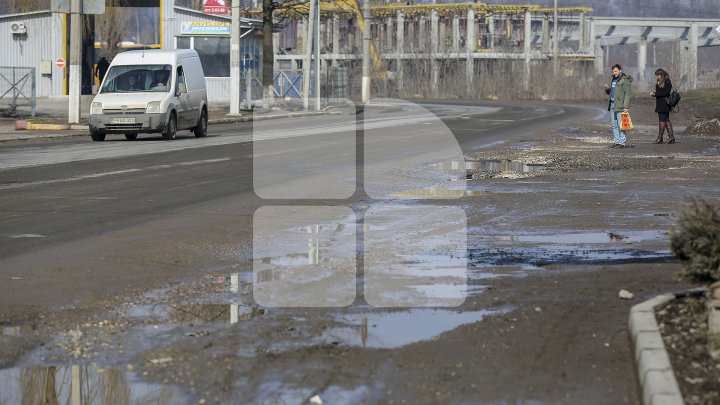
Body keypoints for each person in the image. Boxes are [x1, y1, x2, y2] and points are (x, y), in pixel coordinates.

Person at [603, 64, 633, 148]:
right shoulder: (613, 80)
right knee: (614, 124)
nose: (614, 73)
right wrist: (607, 89)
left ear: (620, 70)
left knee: (622, 125)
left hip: (621, 106)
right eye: (613, 71)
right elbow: (611, 92)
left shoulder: (625, 80)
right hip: (612, 104)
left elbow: (628, 94)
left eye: (616, 71)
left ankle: (622, 143)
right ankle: (617, 141)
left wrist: (626, 107)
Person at [650, 68, 675, 144]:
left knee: (662, 120)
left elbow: (666, 92)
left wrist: (656, 94)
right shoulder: (659, 82)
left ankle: (660, 138)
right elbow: (661, 92)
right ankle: (671, 137)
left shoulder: (667, 81)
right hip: (660, 104)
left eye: (657, 75)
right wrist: (655, 93)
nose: (656, 77)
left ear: (661, 75)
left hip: (664, 104)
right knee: (666, 120)